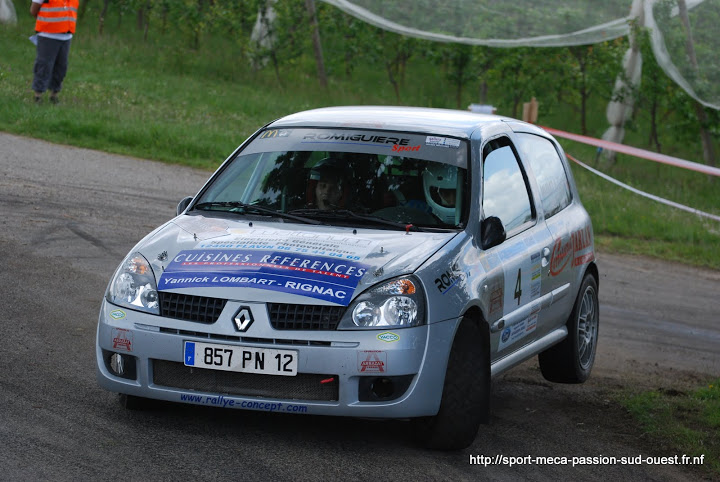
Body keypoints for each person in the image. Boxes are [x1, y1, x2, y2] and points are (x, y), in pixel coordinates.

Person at [30, 0, 78, 104]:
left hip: (66, 35)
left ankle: (54, 94)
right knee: (44, 65)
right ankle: (38, 95)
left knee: (61, 67)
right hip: (48, 34)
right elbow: (34, 10)